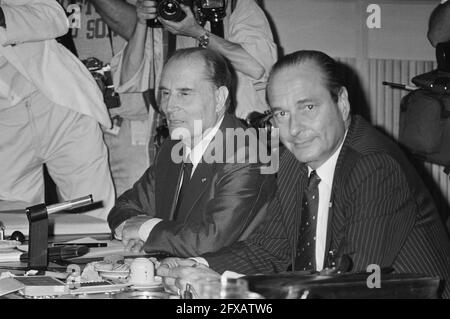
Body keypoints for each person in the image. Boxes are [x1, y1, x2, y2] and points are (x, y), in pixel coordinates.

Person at [157, 50, 450, 299]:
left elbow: (353, 284)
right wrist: (195, 265)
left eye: (308, 107)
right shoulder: (291, 163)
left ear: (342, 103)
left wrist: (230, 290)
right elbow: (268, 249)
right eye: (282, 114)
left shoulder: (374, 166)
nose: (294, 129)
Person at [108, 47, 276, 257]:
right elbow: (124, 206)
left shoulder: (245, 154)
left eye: (184, 93)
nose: (169, 106)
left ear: (220, 98)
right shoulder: (173, 147)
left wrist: (145, 229)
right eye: (166, 93)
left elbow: (208, 241)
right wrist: (132, 230)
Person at [0, 0, 115, 220]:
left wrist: (4, 16)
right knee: (14, 228)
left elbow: (56, 17)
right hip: (5, 128)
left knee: (95, 214)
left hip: (57, 103)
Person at [90, 0, 277, 120]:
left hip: (243, 133)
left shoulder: (237, 5)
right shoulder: (167, 19)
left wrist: (196, 31)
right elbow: (128, 81)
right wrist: (141, 22)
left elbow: (258, 66)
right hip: (188, 142)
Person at [57, 0, 153, 197]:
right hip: (74, 123)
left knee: (133, 215)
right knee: (82, 222)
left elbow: (136, 26)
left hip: (129, 122)